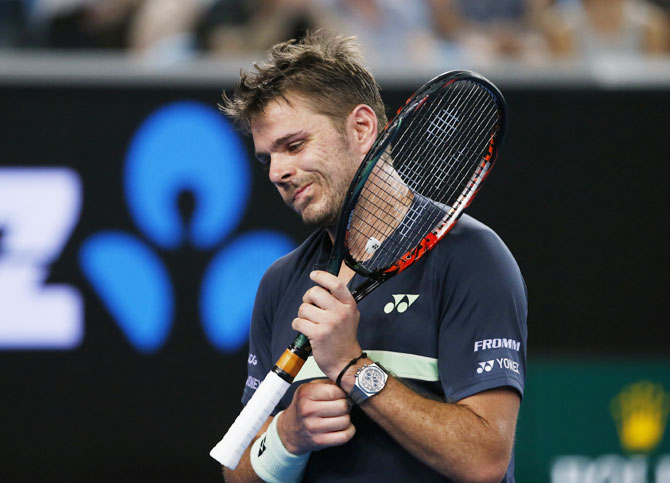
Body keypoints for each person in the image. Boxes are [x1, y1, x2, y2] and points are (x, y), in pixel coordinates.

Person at [218, 30, 528, 482]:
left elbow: (483, 460)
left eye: (294, 145)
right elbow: (237, 473)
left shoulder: (471, 257)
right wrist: (288, 436)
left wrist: (352, 367)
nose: (278, 172)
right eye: (267, 159)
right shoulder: (280, 282)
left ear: (361, 128)